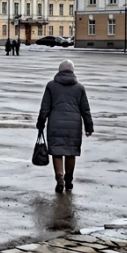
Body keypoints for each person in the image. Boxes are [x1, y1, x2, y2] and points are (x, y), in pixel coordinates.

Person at [36, 60, 94, 193]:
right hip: (74, 124)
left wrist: (41, 123)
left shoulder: (51, 86)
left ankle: (60, 179)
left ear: (59, 71)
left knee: (57, 152)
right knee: (71, 152)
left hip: (55, 123)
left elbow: (45, 107)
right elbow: (85, 109)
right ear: (73, 71)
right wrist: (89, 126)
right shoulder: (79, 88)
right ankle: (69, 179)